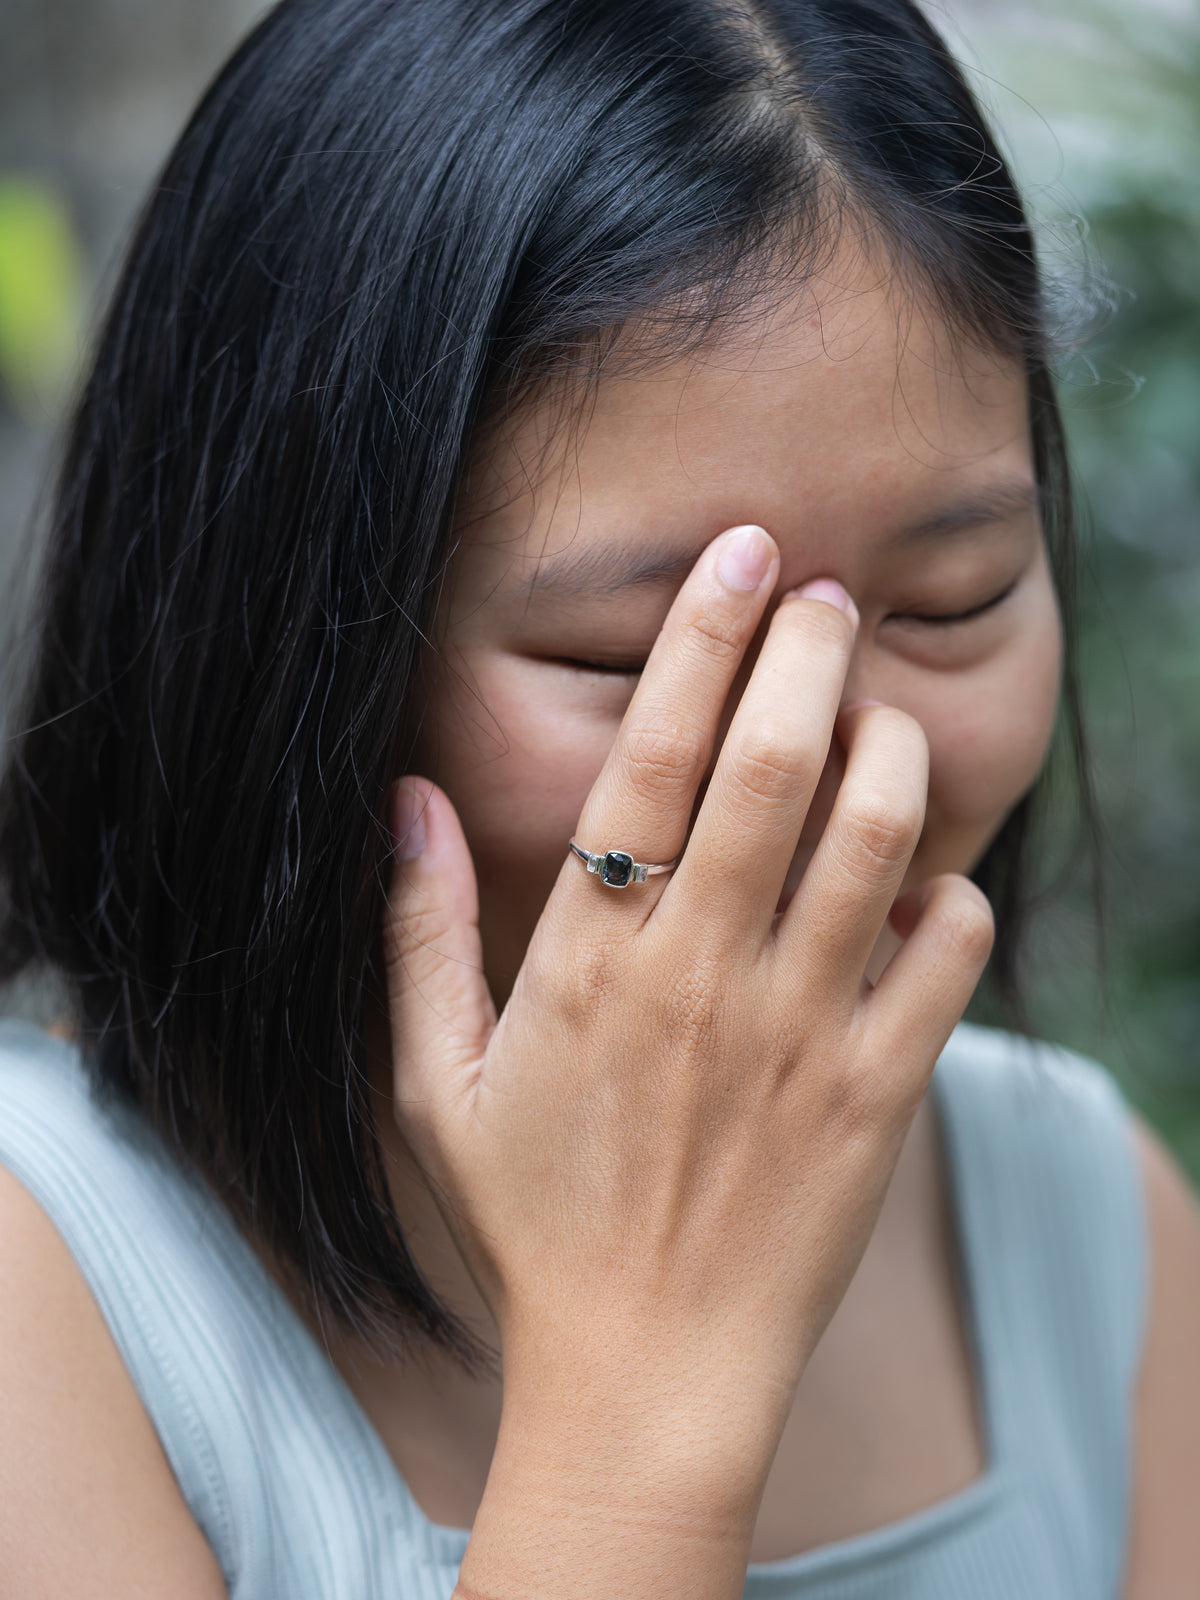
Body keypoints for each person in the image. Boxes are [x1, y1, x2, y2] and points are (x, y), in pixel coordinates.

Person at [0, 0, 1196, 1595]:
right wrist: (647, 1388)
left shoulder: (1086, 1216)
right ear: (283, 642)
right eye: (639, 652)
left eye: (955, 602)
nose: (827, 768)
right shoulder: (47, 1286)